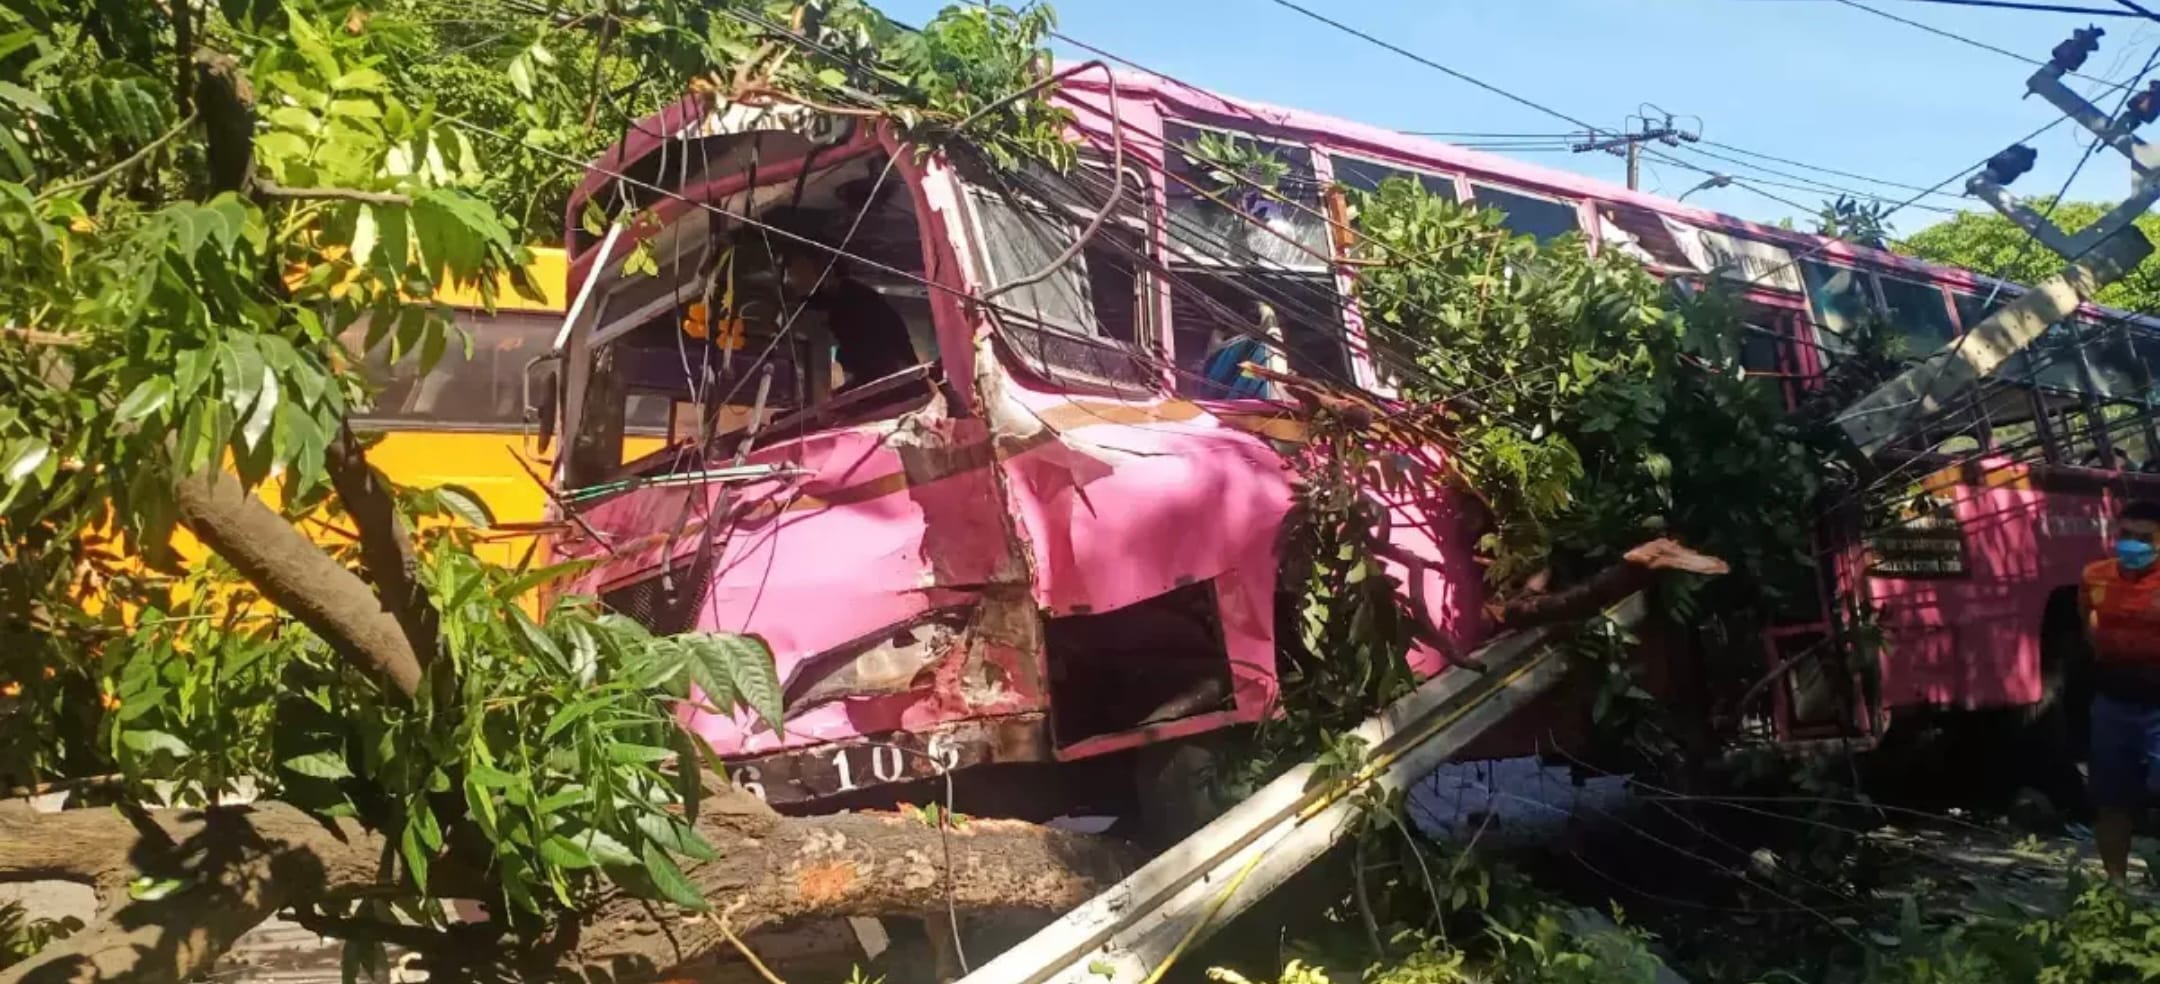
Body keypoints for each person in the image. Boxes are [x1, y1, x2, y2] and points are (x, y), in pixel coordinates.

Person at [2081, 498, 2160, 881]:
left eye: (2144, 538)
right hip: (2113, 703)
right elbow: (2088, 622)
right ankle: (2116, 890)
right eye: (2126, 534)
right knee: (2111, 800)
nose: (2132, 544)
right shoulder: (2095, 576)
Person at [758, 206, 917, 391]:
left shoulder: (858, 307)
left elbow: (877, 372)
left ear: (825, 268)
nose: (788, 277)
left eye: (793, 267)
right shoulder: (835, 300)